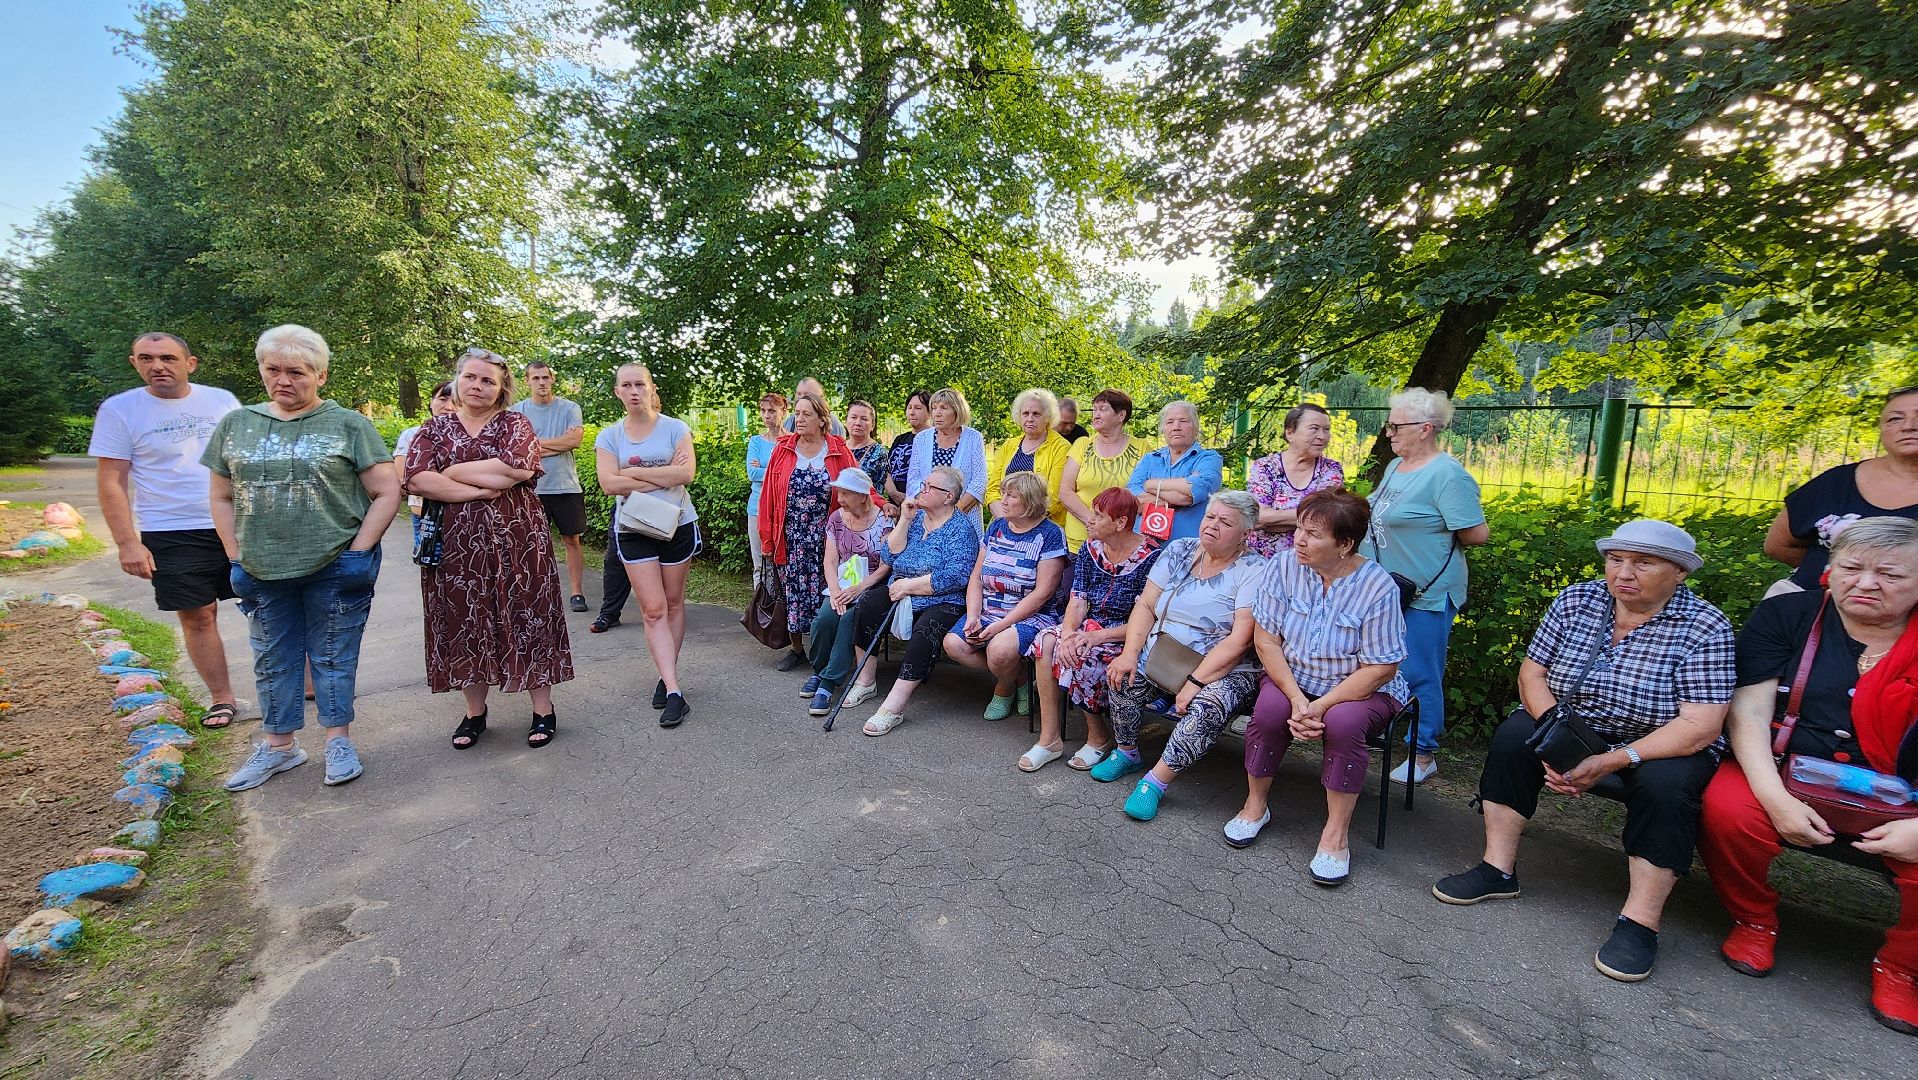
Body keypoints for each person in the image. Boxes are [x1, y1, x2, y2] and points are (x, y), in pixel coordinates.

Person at [1431, 520, 1735, 983]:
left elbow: (1700, 725)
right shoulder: (1579, 599)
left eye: (1643, 563)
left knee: (1667, 787)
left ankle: (1640, 922)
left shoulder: (1706, 626)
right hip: (1575, 723)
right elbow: (1532, 675)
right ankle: (1498, 869)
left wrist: (1614, 759)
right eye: (1616, 560)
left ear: (1680, 573)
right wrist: (1558, 742)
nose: (1624, 573)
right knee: (1515, 737)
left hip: (1661, 742)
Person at [1699, 517, 1918, 1033]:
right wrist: (1775, 799)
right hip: (1786, 770)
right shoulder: (1788, 614)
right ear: (1828, 571)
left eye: (1890, 574)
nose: (1866, 583)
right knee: (1728, 810)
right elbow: (1747, 713)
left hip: (1906, 794)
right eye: (1851, 568)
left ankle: (1903, 967)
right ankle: (1753, 918)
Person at [202, 325, 401, 790]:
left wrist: (360, 550)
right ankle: (279, 747)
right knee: (273, 658)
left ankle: (338, 742)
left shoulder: (348, 424)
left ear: (321, 375)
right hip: (260, 566)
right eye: (273, 370)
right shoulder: (237, 425)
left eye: (296, 372)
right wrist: (235, 557)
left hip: (334, 562)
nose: (283, 380)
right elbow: (220, 495)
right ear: (262, 370)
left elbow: (386, 489)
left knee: (333, 654)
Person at [1228, 490, 1408, 885]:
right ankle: (1255, 806)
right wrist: (1296, 699)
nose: (1300, 540)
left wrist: (1320, 705)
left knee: (1343, 724)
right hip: (1294, 676)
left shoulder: (1378, 587)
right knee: (1270, 711)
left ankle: (1335, 834)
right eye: (1299, 529)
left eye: (1313, 534)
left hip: (1358, 688)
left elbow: (1380, 667)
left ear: (1344, 545)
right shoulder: (1283, 567)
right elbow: (1266, 640)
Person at [404, 349, 575, 749]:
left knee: (528, 614)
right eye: (471, 378)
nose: (477, 386)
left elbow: (517, 469)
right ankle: (474, 714)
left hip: (519, 543)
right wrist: (482, 487)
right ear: (457, 381)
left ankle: (543, 710)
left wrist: (452, 472)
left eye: (487, 381)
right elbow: (417, 480)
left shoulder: (515, 423)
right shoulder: (432, 429)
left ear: (501, 389)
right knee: (466, 620)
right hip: (457, 549)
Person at [90, 332, 243, 729]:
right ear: (134, 362)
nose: (158, 365)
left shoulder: (222, 401)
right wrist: (127, 543)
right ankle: (222, 698)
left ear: (189, 363)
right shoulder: (120, 410)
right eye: (147, 358)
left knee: (272, 604)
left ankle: (302, 682)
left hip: (237, 520)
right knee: (198, 615)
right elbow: (111, 482)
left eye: (168, 358)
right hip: (170, 528)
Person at [1090, 491, 1266, 822]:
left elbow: (1241, 638)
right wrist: (1130, 653)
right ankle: (1127, 752)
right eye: (1210, 517)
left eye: (1225, 522)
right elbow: (1145, 604)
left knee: (1207, 707)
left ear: (1246, 533)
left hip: (1223, 666)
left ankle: (1155, 782)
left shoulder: (1255, 569)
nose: (1212, 525)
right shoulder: (1180, 549)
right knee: (1122, 673)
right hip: (1166, 653)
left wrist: (1196, 681)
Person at [1362, 387, 1490, 785]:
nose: (1389, 433)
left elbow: (1476, 534)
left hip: (1426, 591)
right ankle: (1381, 726)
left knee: (1419, 669)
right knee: (1377, 661)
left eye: (1396, 426)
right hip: (1387, 590)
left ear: (1425, 429)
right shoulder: (1395, 468)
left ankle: (1424, 752)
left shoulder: (1448, 475)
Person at [1025, 487, 1161, 772]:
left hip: (1128, 634)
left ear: (1121, 522)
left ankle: (1098, 737)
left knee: (1087, 656)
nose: (1089, 520)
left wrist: (1093, 637)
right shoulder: (1090, 548)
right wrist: (1069, 633)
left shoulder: (1152, 556)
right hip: (1090, 626)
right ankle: (1049, 739)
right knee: (1046, 642)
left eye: (1098, 516)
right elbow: (1078, 597)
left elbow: (1146, 619)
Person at [594, 363, 700, 727]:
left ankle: (665, 674)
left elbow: (685, 474)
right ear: (618, 392)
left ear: (652, 389)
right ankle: (674, 691)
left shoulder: (675, 428)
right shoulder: (609, 437)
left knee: (673, 603)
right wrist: (661, 474)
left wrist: (632, 474)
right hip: (634, 527)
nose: (634, 390)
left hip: (676, 524)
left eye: (640, 384)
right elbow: (608, 484)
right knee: (653, 609)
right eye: (626, 385)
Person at [852, 466, 984, 736]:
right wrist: (905, 520)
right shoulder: (916, 518)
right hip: (899, 588)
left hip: (942, 597)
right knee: (869, 604)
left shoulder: (961, 530)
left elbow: (956, 577)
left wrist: (910, 586)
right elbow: (889, 556)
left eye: (929, 487)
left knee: (928, 628)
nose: (921, 490)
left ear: (948, 497)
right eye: (923, 484)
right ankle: (865, 681)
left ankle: (894, 706)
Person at [1765, 386, 1918, 592]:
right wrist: (1837, 576)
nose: (1909, 426)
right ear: (1881, 429)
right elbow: (1778, 545)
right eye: (1895, 419)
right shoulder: (1836, 482)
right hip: (1816, 612)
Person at [943, 471, 1068, 721]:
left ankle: (1002, 689)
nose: (1004, 501)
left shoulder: (1050, 534)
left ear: (1030, 501)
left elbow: (1043, 593)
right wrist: (973, 615)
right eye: (1003, 495)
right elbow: (977, 578)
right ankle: (1019, 677)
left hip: (1031, 615)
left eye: (1011, 496)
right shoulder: (997, 526)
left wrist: (1002, 624)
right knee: (953, 644)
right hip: (989, 609)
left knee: (999, 651)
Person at [758, 393, 857, 672]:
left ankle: (823, 649)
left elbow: (858, 483)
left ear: (822, 420)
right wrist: (766, 537)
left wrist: (882, 505)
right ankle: (797, 648)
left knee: (825, 591)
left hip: (827, 535)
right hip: (792, 535)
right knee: (793, 591)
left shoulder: (836, 448)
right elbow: (768, 497)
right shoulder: (784, 449)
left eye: (806, 414)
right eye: (797, 414)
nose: (799, 420)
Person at [798, 468, 893, 715]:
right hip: (841, 584)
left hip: (872, 587)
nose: (839, 498)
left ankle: (828, 684)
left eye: (845, 493)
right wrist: (836, 590)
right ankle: (819, 671)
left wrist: (858, 589)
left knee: (848, 621)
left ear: (863, 495)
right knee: (824, 619)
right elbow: (830, 561)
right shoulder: (836, 519)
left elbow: (887, 565)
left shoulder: (884, 519)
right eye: (839, 492)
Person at [512, 361, 589, 612]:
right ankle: (537, 592)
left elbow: (575, 440)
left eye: (545, 377)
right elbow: (517, 448)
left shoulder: (570, 408)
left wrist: (534, 445)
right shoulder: (516, 412)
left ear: (552, 379)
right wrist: (556, 444)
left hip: (565, 485)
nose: (541, 382)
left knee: (572, 539)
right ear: (527, 381)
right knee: (531, 543)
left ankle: (577, 593)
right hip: (530, 487)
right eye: (536, 378)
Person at [1245, 403, 1345, 559]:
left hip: (1311, 561)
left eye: (1326, 429)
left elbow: (1327, 518)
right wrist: (1308, 517)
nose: (1322, 436)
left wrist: (1273, 520)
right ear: (1290, 433)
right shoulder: (1265, 467)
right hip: (1262, 562)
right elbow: (1257, 517)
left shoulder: (1331, 470)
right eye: (1314, 428)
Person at [1060, 389, 1152, 554]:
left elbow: (1150, 494)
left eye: (1103, 409)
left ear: (1121, 415)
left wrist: (1110, 526)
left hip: (1122, 545)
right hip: (1080, 542)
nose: (1096, 415)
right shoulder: (1082, 444)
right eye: (1094, 409)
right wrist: (1094, 522)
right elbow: (1065, 491)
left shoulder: (1142, 448)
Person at [1127, 401, 1224, 542]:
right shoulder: (1150, 459)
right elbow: (1132, 501)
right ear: (1163, 430)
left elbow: (1195, 491)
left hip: (1187, 548)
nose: (1176, 427)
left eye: (1183, 421)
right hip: (1143, 548)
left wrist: (1152, 485)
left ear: (1196, 428)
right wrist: (1180, 492)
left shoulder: (1209, 458)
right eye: (1170, 422)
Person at [984, 388, 1072, 530]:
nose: (1030, 418)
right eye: (1025, 413)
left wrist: (1021, 523)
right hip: (1003, 524)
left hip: (1041, 527)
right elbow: (993, 489)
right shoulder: (1009, 445)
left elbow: (1054, 497)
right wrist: (1005, 519)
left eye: (1036, 414)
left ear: (1048, 417)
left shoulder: (1061, 447)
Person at [906, 387, 987, 522]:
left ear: (957, 411)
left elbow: (979, 482)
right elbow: (913, 480)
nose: (937, 413)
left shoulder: (973, 437)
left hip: (964, 517)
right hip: (926, 517)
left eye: (943, 408)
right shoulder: (922, 438)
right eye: (934, 407)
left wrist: (953, 514)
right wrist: (930, 508)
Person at [394, 381, 456, 545]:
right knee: (430, 567)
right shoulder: (412, 434)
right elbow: (403, 478)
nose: (448, 406)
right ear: (431, 401)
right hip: (425, 517)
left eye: (456, 401)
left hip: (463, 517)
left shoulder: (472, 437)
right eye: (442, 399)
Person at [745, 392, 789, 592]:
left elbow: (792, 473)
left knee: (781, 562)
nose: (766, 415)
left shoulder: (791, 441)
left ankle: (783, 611)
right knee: (760, 563)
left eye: (772, 410)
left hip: (783, 507)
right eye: (763, 411)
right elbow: (752, 473)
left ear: (783, 412)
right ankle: (761, 611)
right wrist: (777, 470)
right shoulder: (756, 441)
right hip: (757, 507)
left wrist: (768, 469)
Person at [885, 389, 932, 508]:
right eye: (909, 407)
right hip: (894, 504)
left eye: (918, 408)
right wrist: (893, 493)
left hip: (922, 505)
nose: (912, 412)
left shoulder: (934, 439)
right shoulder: (900, 439)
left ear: (930, 412)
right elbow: (887, 469)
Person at [843, 399, 891, 495]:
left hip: (867, 506)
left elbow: (876, 489)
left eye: (864, 419)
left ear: (872, 425)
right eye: (853, 417)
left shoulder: (879, 453)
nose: (857, 423)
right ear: (846, 421)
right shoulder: (838, 448)